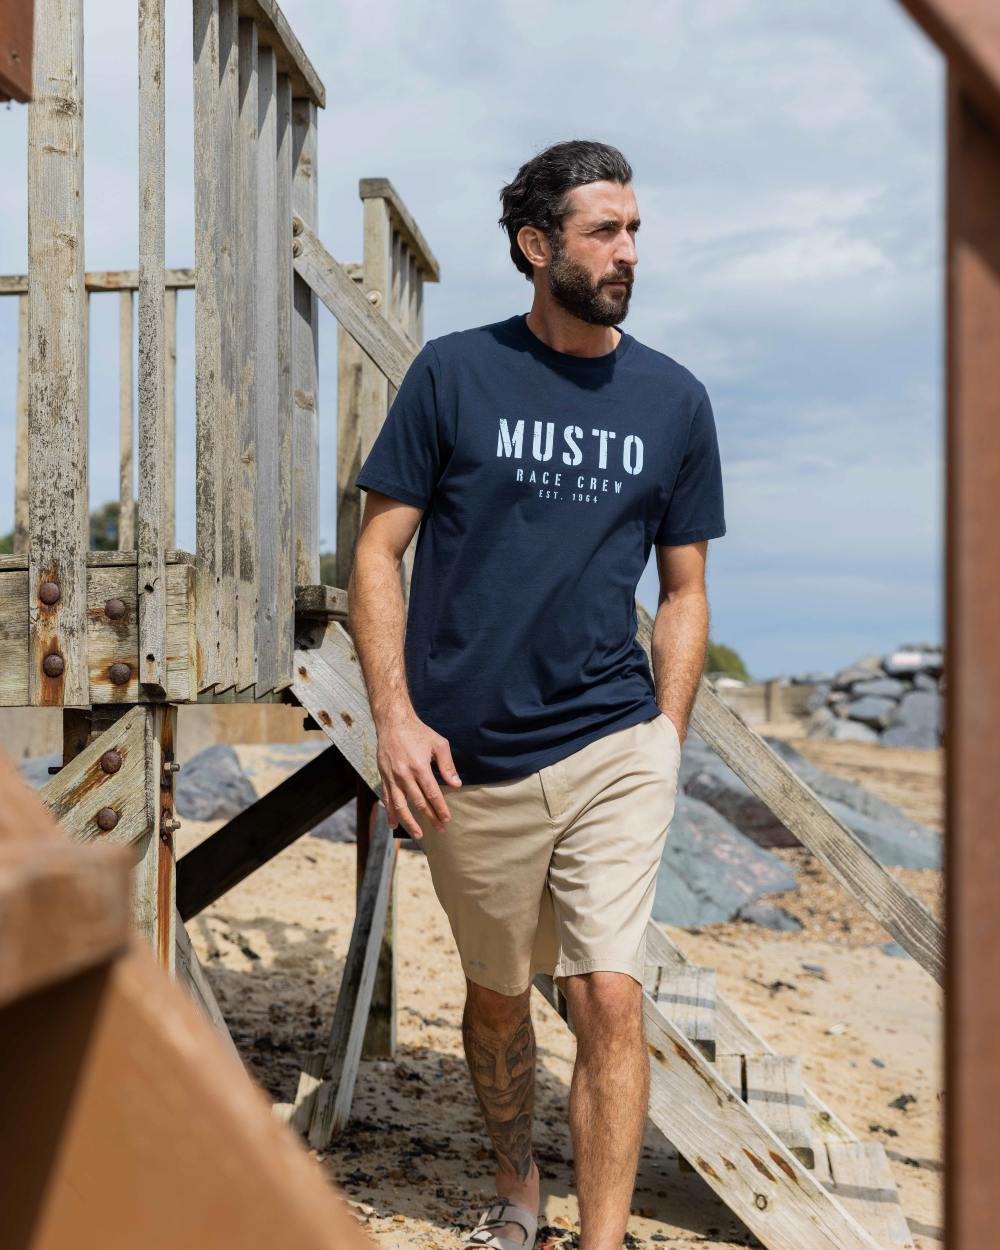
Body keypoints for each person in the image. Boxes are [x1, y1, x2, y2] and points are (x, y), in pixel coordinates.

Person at [348, 139, 726, 1250]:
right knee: (500, 992)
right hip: (470, 756)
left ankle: (600, 1239)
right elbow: (378, 552)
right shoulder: (453, 374)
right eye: (604, 230)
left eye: (635, 231)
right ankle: (518, 1183)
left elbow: (686, 584)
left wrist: (665, 730)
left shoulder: (674, 397)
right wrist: (395, 715)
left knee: (609, 991)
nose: (627, 252)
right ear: (534, 244)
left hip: (614, 737)